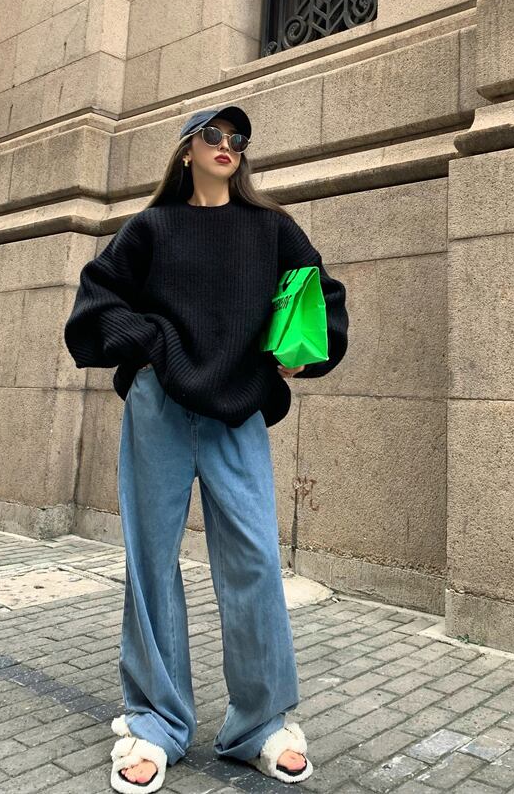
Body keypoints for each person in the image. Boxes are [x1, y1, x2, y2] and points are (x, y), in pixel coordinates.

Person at [63, 104, 349, 793]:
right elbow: (97, 298)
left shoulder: (271, 228)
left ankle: (260, 725)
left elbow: (321, 297)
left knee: (254, 560)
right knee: (152, 561)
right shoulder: (153, 227)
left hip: (237, 411)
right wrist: (150, 345)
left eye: (237, 138)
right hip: (159, 408)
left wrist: (304, 353)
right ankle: (155, 722)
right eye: (213, 135)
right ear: (187, 149)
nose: (227, 145)